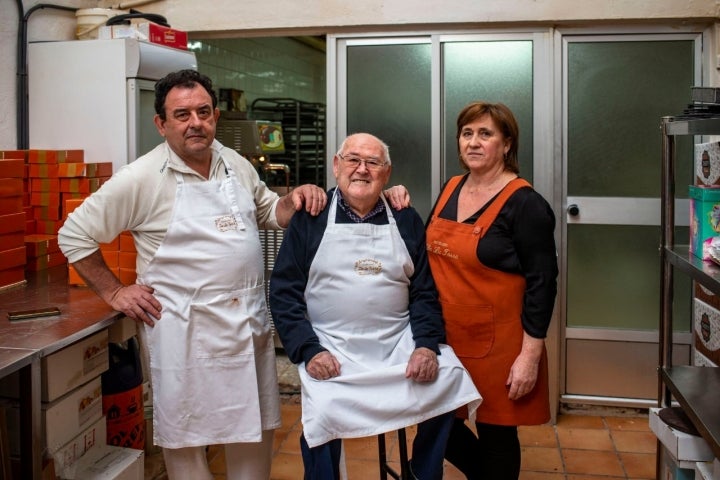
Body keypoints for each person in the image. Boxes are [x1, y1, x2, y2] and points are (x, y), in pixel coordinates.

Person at [58, 70, 409, 480]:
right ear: (162, 123)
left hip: (245, 328)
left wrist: (294, 199)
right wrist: (115, 293)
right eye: (182, 114)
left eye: (203, 112)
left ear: (216, 115)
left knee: (253, 440)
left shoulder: (232, 161)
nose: (196, 123)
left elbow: (267, 212)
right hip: (185, 335)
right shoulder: (140, 179)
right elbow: (74, 234)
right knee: (188, 448)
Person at [269, 132, 482, 480]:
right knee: (320, 410)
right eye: (353, 160)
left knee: (450, 376)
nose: (362, 170)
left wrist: (426, 346)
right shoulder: (312, 217)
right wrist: (309, 350)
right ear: (337, 166)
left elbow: (424, 293)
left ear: (387, 173)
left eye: (373, 163)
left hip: (398, 343)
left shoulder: (405, 218)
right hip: (332, 347)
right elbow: (283, 293)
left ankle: (422, 472)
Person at [425, 101, 558, 480]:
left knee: (496, 431)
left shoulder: (525, 203)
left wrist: (529, 357)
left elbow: (543, 283)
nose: (474, 142)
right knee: (436, 423)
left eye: (486, 134)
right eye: (467, 133)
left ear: (506, 144)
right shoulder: (451, 187)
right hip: (446, 336)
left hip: (501, 343)